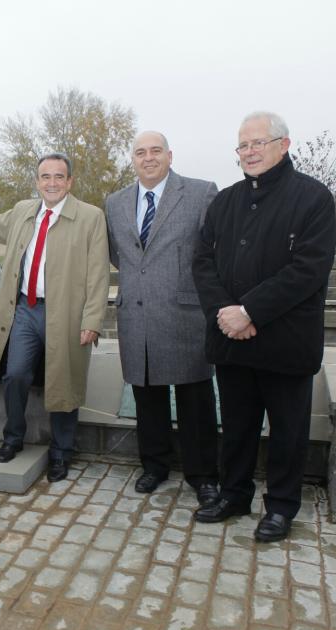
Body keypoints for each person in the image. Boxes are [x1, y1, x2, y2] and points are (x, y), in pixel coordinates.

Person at [193, 111, 336, 542]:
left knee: (288, 432)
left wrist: (249, 311)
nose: (250, 152)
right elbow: (202, 262)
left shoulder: (313, 198)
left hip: (285, 342)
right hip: (231, 340)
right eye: (243, 145)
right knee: (236, 426)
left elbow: (307, 270)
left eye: (259, 142)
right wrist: (226, 312)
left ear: (284, 145)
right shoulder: (227, 201)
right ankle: (234, 494)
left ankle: (280, 507)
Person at [0, 153, 110, 481]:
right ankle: (13, 438)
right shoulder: (23, 212)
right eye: (45, 177)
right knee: (16, 374)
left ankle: (62, 452)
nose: (51, 183)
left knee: (64, 381)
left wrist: (92, 321)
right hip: (25, 309)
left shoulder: (90, 218)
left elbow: (98, 273)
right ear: (37, 181)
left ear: (70, 181)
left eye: (58, 177)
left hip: (66, 314)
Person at [105, 132, 220, 507]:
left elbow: (211, 254)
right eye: (140, 152)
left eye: (156, 151)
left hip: (184, 313)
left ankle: (203, 474)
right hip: (136, 313)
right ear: (133, 159)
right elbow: (120, 256)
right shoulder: (115, 202)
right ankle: (154, 465)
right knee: (147, 395)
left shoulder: (201, 193)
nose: (148, 158)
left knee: (195, 399)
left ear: (170, 156)